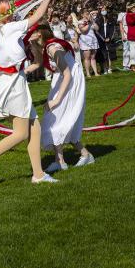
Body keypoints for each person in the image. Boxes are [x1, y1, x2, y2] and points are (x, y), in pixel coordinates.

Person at [0, 0, 57, 186]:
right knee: (21, 133)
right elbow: (38, 16)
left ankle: (38, 174)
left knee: (34, 129)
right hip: (13, 84)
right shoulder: (9, 28)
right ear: (6, 14)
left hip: (13, 81)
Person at [36, 26, 94, 172]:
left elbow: (67, 73)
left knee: (56, 117)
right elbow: (38, 63)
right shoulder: (48, 46)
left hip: (70, 81)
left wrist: (57, 100)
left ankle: (63, 160)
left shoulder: (52, 48)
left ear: (38, 34)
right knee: (54, 118)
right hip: (63, 79)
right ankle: (65, 159)